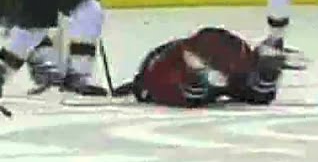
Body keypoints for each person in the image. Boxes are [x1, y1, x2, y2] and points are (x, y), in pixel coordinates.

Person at [112, 27, 293, 107]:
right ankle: (262, 74)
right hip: (191, 63)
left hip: (209, 59)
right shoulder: (165, 63)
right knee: (256, 91)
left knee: (257, 92)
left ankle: (262, 74)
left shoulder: (162, 66)